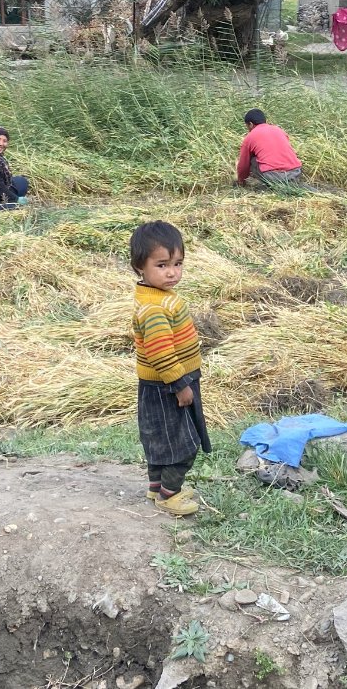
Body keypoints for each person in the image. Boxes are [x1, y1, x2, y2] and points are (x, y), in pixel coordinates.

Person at [130, 221, 211, 517]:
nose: (172, 272)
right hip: (168, 387)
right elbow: (161, 353)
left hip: (164, 385)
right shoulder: (153, 309)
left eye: (178, 264)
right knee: (182, 443)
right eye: (162, 265)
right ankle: (169, 494)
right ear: (140, 266)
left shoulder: (159, 298)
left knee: (160, 440)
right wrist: (181, 385)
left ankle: (156, 489)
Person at [235, 109, 303, 187]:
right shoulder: (279, 130)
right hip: (295, 171)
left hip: (274, 176)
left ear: (250, 124)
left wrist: (241, 181)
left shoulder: (250, 137)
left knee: (253, 160)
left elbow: (243, 165)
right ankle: (290, 182)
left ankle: (269, 185)